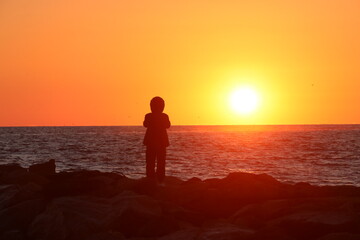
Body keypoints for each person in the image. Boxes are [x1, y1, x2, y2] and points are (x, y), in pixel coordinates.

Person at [143, 96, 171, 183]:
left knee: (152, 162)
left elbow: (145, 124)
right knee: (159, 162)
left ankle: (152, 179)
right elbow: (168, 125)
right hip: (160, 142)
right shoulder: (163, 116)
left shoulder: (149, 116)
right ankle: (158, 180)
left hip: (153, 142)